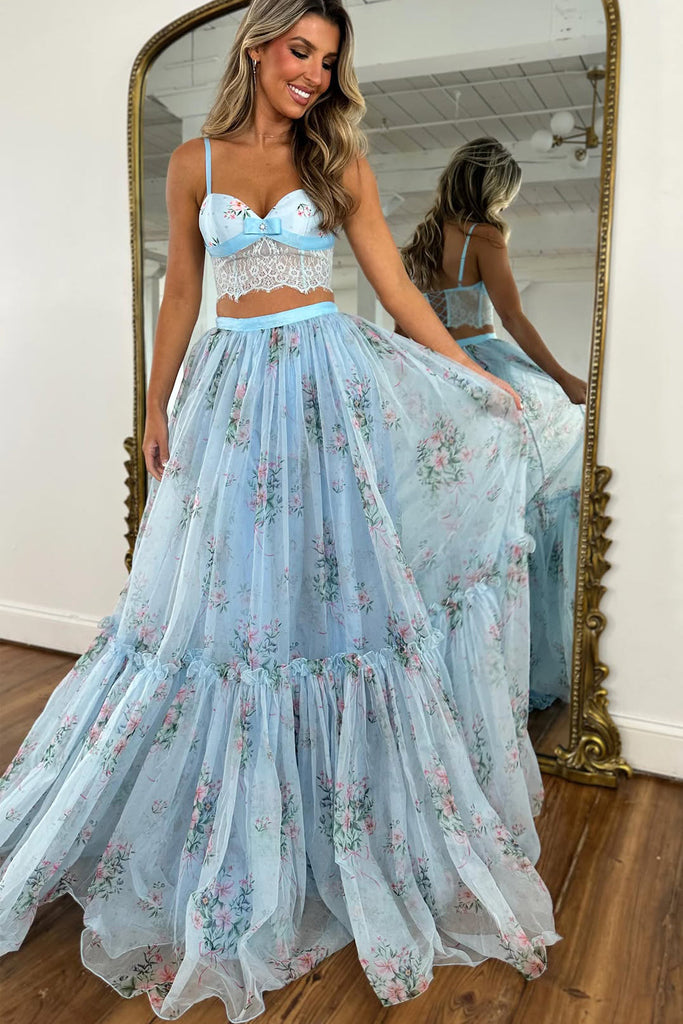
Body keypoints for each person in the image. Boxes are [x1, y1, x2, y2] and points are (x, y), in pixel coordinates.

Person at [0, 5, 559, 1018]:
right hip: (227, 394)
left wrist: (479, 379)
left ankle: (327, 829)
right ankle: (225, 830)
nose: (313, 74)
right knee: (214, 611)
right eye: (300, 51)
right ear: (258, 48)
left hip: (320, 390)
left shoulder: (336, 163)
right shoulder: (193, 163)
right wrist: (154, 404)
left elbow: (399, 295)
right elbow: (181, 292)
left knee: (330, 599)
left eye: (328, 61)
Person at [400, 138, 587, 710]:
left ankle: (446, 673)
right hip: (483, 368)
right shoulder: (485, 236)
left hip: (434, 377)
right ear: (494, 188)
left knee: (451, 520)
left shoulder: (420, 242)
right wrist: (563, 378)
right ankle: (515, 657)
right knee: (554, 460)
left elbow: (407, 332)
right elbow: (512, 318)